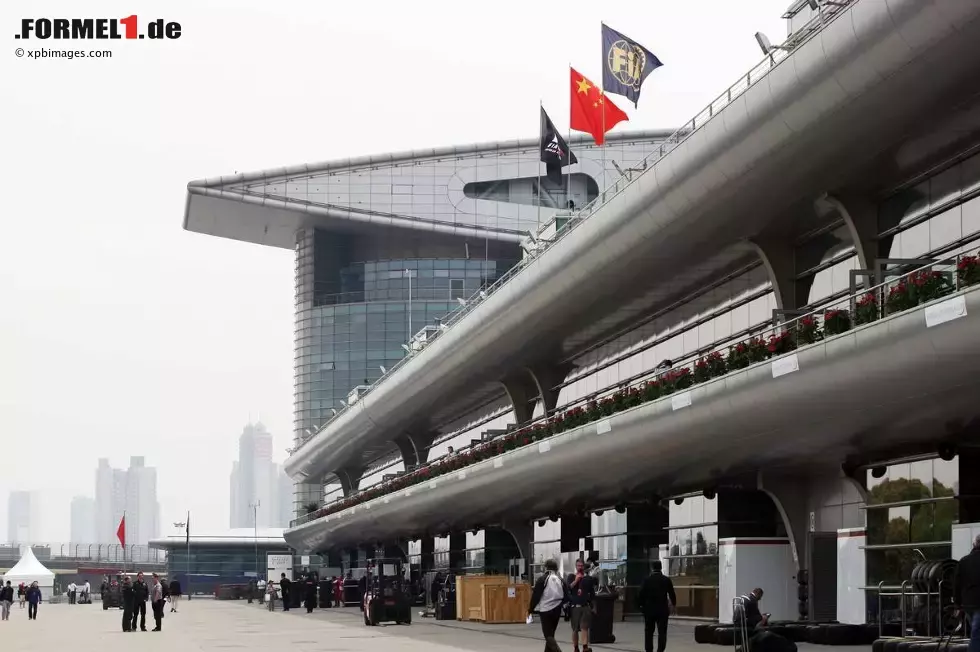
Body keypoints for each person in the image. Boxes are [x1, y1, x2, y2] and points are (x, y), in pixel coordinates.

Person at [637, 561, 677, 652]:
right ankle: (660, 649)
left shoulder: (646, 580)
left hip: (649, 610)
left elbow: (640, 594)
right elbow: (672, 594)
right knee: (662, 632)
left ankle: (649, 649)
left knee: (648, 632)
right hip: (662, 610)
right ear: (661, 568)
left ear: (652, 568)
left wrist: (641, 606)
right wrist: (673, 605)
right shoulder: (666, 580)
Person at [529, 559, 568, 652]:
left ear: (546, 567)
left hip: (546, 610)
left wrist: (530, 609)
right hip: (557, 609)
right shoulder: (560, 579)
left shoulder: (543, 579)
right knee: (551, 634)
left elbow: (536, 595)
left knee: (547, 635)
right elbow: (566, 595)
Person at [955, 534, 980, 652]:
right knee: (976, 634)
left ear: (974, 544)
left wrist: (958, 604)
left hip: (968, 605)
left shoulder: (963, 561)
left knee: (976, 631)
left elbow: (957, 584)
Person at [568, 558, 597, 652]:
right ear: (575, 566)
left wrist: (593, 606)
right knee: (575, 629)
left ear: (584, 566)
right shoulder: (571, 576)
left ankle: (585, 647)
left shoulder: (588, 578)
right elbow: (569, 588)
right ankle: (576, 648)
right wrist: (576, 580)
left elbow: (592, 593)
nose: (580, 567)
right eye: (578, 566)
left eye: (581, 566)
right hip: (575, 607)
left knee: (584, 627)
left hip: (585, 606)